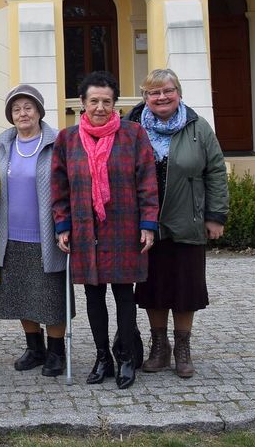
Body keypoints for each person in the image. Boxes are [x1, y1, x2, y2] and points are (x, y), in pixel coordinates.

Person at [51, 71, 158, 389]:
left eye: (106, 101)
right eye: (93, 101)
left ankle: (126, 357)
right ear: (82, 103)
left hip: (124, 227)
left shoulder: (134, 135)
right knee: (93, 296)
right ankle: (102, 358)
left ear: (115, 104)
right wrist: (62, 225)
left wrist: (148, 224)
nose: (100, 107)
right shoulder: (67, 139)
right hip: (85, 229)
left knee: (125, 295)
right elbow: (59, 187)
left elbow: (148, 184)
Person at [127, 68, 228, 378]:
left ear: (178, 93)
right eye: (154, 92)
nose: (162, 97)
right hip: (146, 224)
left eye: (167, 90)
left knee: (186, 288)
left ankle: (183, 348)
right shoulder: (131, 128)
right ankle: (159, 346)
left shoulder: (198, 127)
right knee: (152, 288)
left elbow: (216, 171)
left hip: (188, 220)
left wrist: (215, 216)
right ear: (145, 98)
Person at [0, 84, 72, 377]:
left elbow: (68, 185)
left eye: (28, 107)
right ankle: (34, 348)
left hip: (47, 236)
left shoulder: (57, 143)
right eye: (16, 109)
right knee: (22, 294)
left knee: (51, 297)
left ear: (39, 111)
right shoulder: (2, 145)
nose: (22, 113)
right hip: (11, 235)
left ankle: (56, 352)